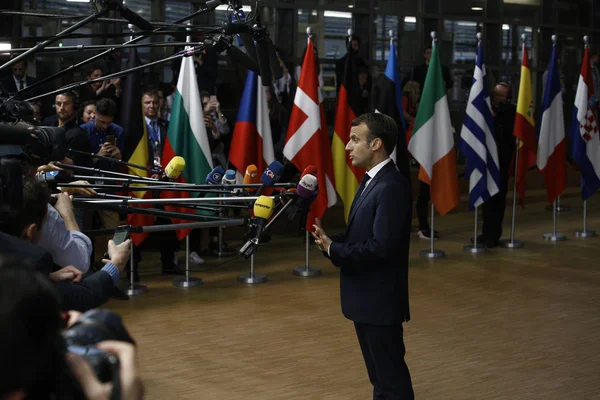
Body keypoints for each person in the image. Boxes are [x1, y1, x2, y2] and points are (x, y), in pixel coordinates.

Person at [312, 113, 414, 399]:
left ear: (376, 144)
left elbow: (381, 247)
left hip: (380, 303)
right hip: (366, 301)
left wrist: (335, 249)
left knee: (391, 382)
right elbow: (362, 236)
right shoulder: (371, 181)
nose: (347, 146)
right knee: (379, 379)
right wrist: (329, 242)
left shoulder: (392, 186)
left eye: (355, 139)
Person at [478, 82, 516, 247]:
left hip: (501, 160)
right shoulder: (486, 109)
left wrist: (495, 118)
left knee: (498, 199)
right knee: (486, 198)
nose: (496, 97)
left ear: (508, 97)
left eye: (500, 95)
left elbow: (508, 135)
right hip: (487, 159)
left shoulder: (510, 112)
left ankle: (494, 235)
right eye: (495, 94)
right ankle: (485, 233)